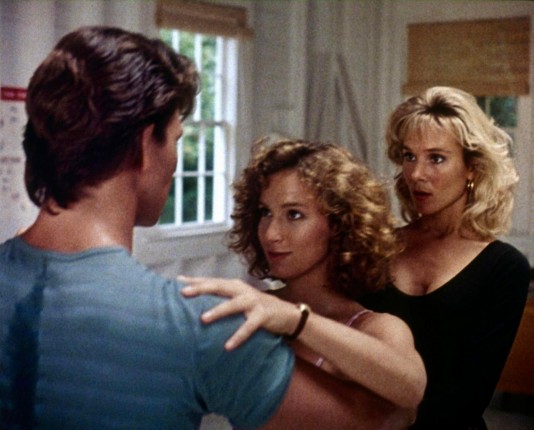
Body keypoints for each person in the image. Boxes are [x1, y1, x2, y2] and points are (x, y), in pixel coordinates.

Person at [0, 26, 413, 430]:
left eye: (294, 214)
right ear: (145, 145)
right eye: (176, 139)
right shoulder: (199, 323)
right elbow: (386, 417)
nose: (273, 232)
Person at [181, 138, 427, 409]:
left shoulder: (374, 327)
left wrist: (296, 321)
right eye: (265, 213)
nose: (271, 234)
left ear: (339, 224)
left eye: (294, 215)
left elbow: (411, 389)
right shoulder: (249, 310)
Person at [357, 86, 531, 429]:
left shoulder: (505, 268)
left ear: (472, 167)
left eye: (436, 158)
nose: (416, 174)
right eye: (409, 156)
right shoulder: (377, 246)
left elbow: (469, 396)